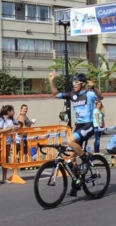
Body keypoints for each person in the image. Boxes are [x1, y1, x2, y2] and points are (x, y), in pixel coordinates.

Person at [48, 69, 103, 197]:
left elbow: (101, 97)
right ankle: (77, 183)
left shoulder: (89, 94)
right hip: (78, 127)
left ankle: (85, 159)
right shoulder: (72, 94)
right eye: (73, 82)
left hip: (88, 125)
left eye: (76, 82)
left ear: (83, 84)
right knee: (71, 158)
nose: (74, 84)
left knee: (70, 141)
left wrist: (94, 88)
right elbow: (55, 94)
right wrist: (51, 80)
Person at [0, 105, 23, 183]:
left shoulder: (12, 118)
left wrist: (17, 127)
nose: (13, 112)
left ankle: (4, 178)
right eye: (12, 111)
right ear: (8, 112)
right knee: (2, 160)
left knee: (6, 159)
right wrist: (10, 128)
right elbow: (0, 130)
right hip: (2, 141)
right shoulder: (1, 119)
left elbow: (19, 123)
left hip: (9, 141)